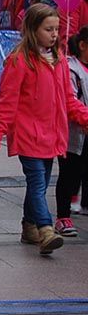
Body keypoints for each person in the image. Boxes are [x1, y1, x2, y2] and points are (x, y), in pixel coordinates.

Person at [0, 3, 88, 255]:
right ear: (32, 30)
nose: (54, 34)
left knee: (39, 185)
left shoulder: (60, 60)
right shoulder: (19, 61)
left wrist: (84, 117)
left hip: (52, 136)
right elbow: (7, 101)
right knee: (37, 183)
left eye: (56, 29)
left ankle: (28, 226)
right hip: (28, 134)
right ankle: (45, 229)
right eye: (48, 29)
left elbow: (68, 99)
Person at [55, 27, 88, 238]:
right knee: (70, 174)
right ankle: (62, 216)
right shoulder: (71, 68)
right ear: (83, 45)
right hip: (74, 133)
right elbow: (70, 100)